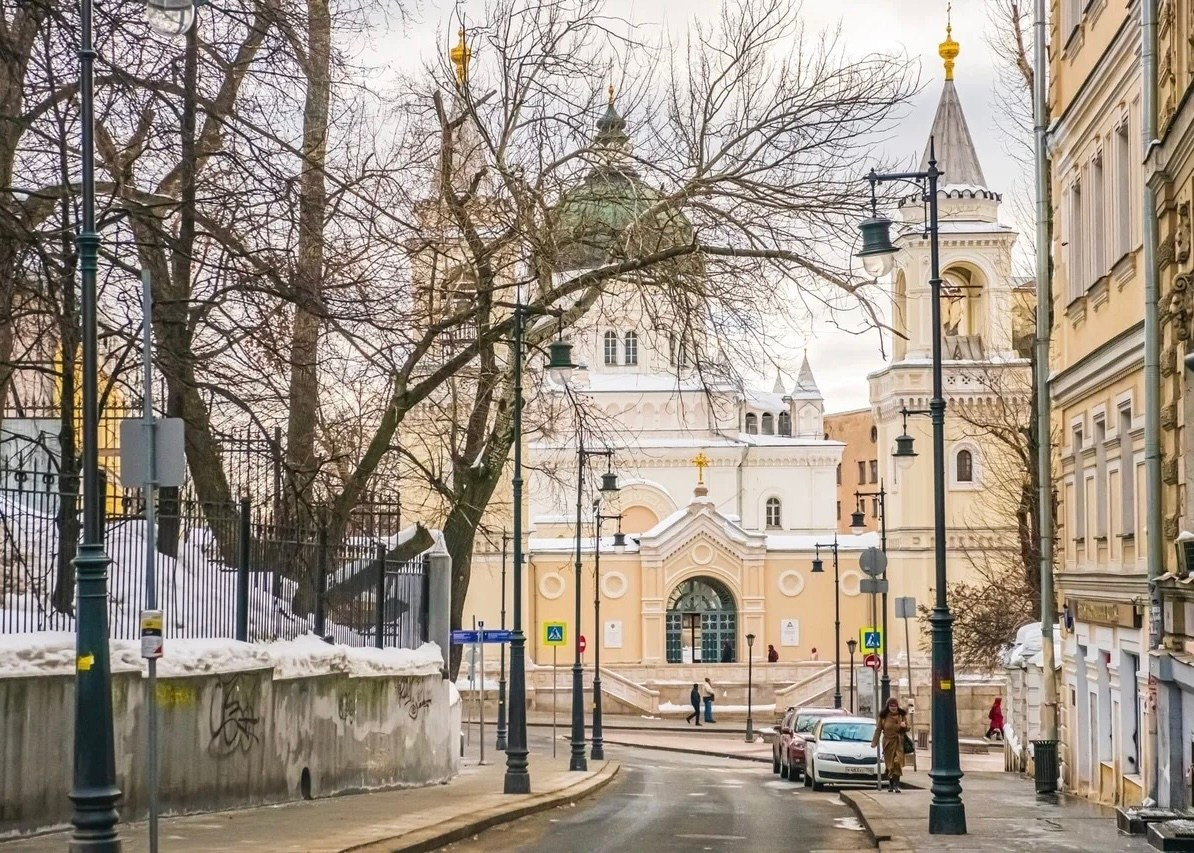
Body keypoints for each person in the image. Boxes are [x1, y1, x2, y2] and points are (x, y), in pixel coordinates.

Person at [871, 696, 908, 792]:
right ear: (888, 706)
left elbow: (907, 728)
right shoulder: (883, 716)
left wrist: (904, 726)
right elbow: (878, 729)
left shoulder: (901, 715)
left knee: (897, 762)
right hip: (888, 743)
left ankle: (896, 785)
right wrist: (874, 742)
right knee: (890, 765)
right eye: (891, 706)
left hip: (898, 742)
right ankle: (891, 784)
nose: (893, 707)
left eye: (895, 705)